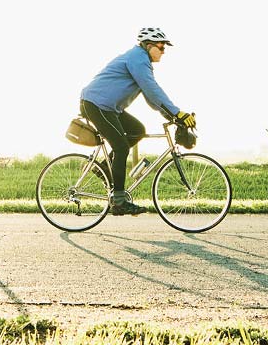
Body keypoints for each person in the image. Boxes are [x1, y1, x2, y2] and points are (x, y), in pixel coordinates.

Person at [79, 27, 197, 216]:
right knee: (121, 147)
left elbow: (151, 98)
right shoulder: (138, 58)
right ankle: (118, 202)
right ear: (149, 45)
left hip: (108, 107)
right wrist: (177, 112)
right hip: (96, 105)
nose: (163, 51)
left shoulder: (141, 61)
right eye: (161, 47)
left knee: (137, 130)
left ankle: (102, 168)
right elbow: (152, 88)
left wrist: (172, 117)